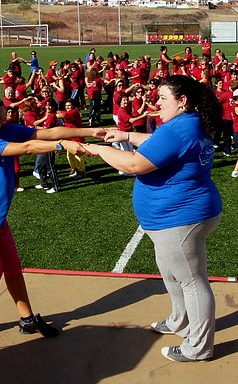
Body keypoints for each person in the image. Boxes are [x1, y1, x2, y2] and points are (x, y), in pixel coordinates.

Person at [85, 75, 223, 362]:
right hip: (173, 217)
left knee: (192, 281)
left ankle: (198, 348)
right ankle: (179, 320)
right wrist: (125, 136)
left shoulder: (180, 129)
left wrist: (99, 150)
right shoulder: (187, 123)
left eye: (162, 98)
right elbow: (160, 142)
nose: (156, 103)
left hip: (180, 218)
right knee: (170, 270)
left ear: (182, 101)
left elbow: (135, 164)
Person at [0, 91, 104, 341]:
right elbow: (29, 147)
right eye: (2, 104)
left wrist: (91, 131)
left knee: (12, 268)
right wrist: (62, 146)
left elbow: (49, 132)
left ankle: (27, 319)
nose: (6, 107)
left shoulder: (6, 129)